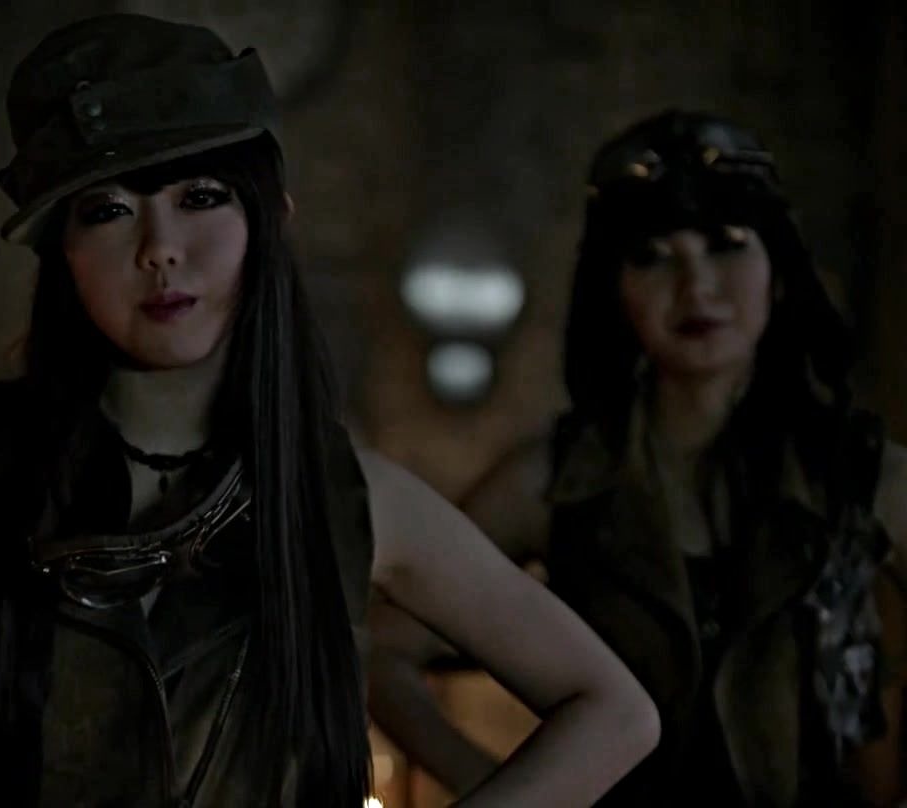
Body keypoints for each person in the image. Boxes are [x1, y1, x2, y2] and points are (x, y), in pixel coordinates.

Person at [0, 15, 659, 807]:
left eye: (201, 197)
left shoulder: (350, 496)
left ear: (270, 219)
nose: (160, 248)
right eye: (109, 211)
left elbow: (614, 713)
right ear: (62, 253)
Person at [376, 110, 907, 806]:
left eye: (726, 245)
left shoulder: (864, 474)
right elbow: (378, 652)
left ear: (777, 269)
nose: (696, 287)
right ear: (614, 286)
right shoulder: (553, 480)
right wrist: (515, 791)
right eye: (653, 256)